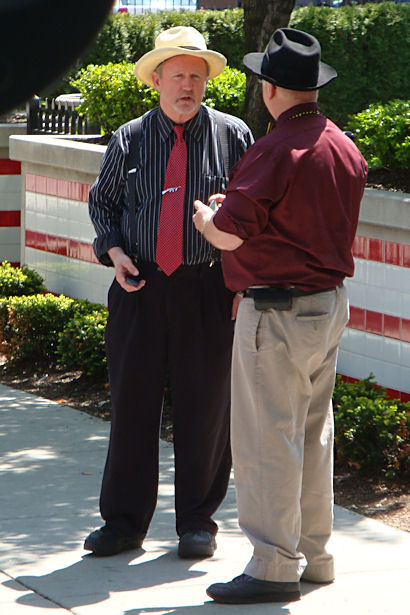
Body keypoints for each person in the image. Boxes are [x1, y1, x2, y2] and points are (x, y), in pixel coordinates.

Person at [193, 28, 367, 603]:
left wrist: (205, 216)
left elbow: (228, 233)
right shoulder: (342, 145)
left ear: (270, 88)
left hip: (276, 311)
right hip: (328, 305)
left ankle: (271, 565)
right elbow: (296, 216)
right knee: (314, 436)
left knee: (268, 441)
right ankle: (314, 556)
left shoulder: (272, 148)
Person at [84, 26, 253, 559]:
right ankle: (124, 522)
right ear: (156, 80)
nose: (187, 85)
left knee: (205, 409)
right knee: (132, 405)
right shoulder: (129, 137)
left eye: (196, 76)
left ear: (207, 82)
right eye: (177, 75)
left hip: (208, 289)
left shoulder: (234, 136)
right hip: (140, 286)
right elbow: (103, 204)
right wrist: (113, 253)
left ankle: (198, 522)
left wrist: (241, 281)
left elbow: (255, 218)